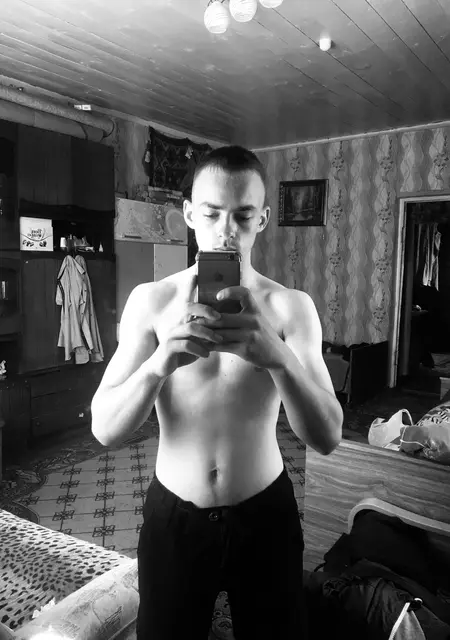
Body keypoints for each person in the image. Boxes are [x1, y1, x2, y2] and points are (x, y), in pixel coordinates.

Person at [91, 146, 343, 639]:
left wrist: (279, 358)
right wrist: (159, 364)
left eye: (243, 216)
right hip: (174, 516)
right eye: (211, 214)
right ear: (189, 214)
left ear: (262, 219)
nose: (227, 231)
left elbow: (329, 436)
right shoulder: (151, 302)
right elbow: (104, 428)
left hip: (265, 512)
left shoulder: (290, 307)